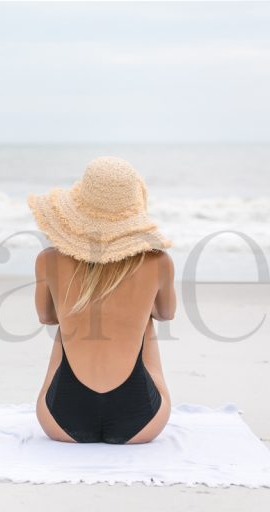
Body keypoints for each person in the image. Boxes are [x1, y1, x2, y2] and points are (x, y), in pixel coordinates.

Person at [27, 156, 176, 444]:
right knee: (144, 321)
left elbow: (47, 317)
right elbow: (166, 313)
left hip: (60, 420)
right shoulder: (158, 261)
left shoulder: (48, 260)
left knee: (67, 326)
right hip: (142, 421)